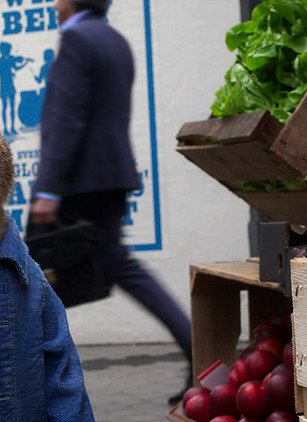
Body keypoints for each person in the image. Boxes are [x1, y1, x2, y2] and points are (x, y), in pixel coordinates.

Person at [28, 0, 194, 405]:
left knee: (33, 275)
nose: (53, 4)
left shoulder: (77, 40)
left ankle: (18, 382)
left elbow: (66, 120)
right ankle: (199, 348)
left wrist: (48, 191)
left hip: (80, 184)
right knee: (112, 266)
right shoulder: (114, 40)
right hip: (110, 177)